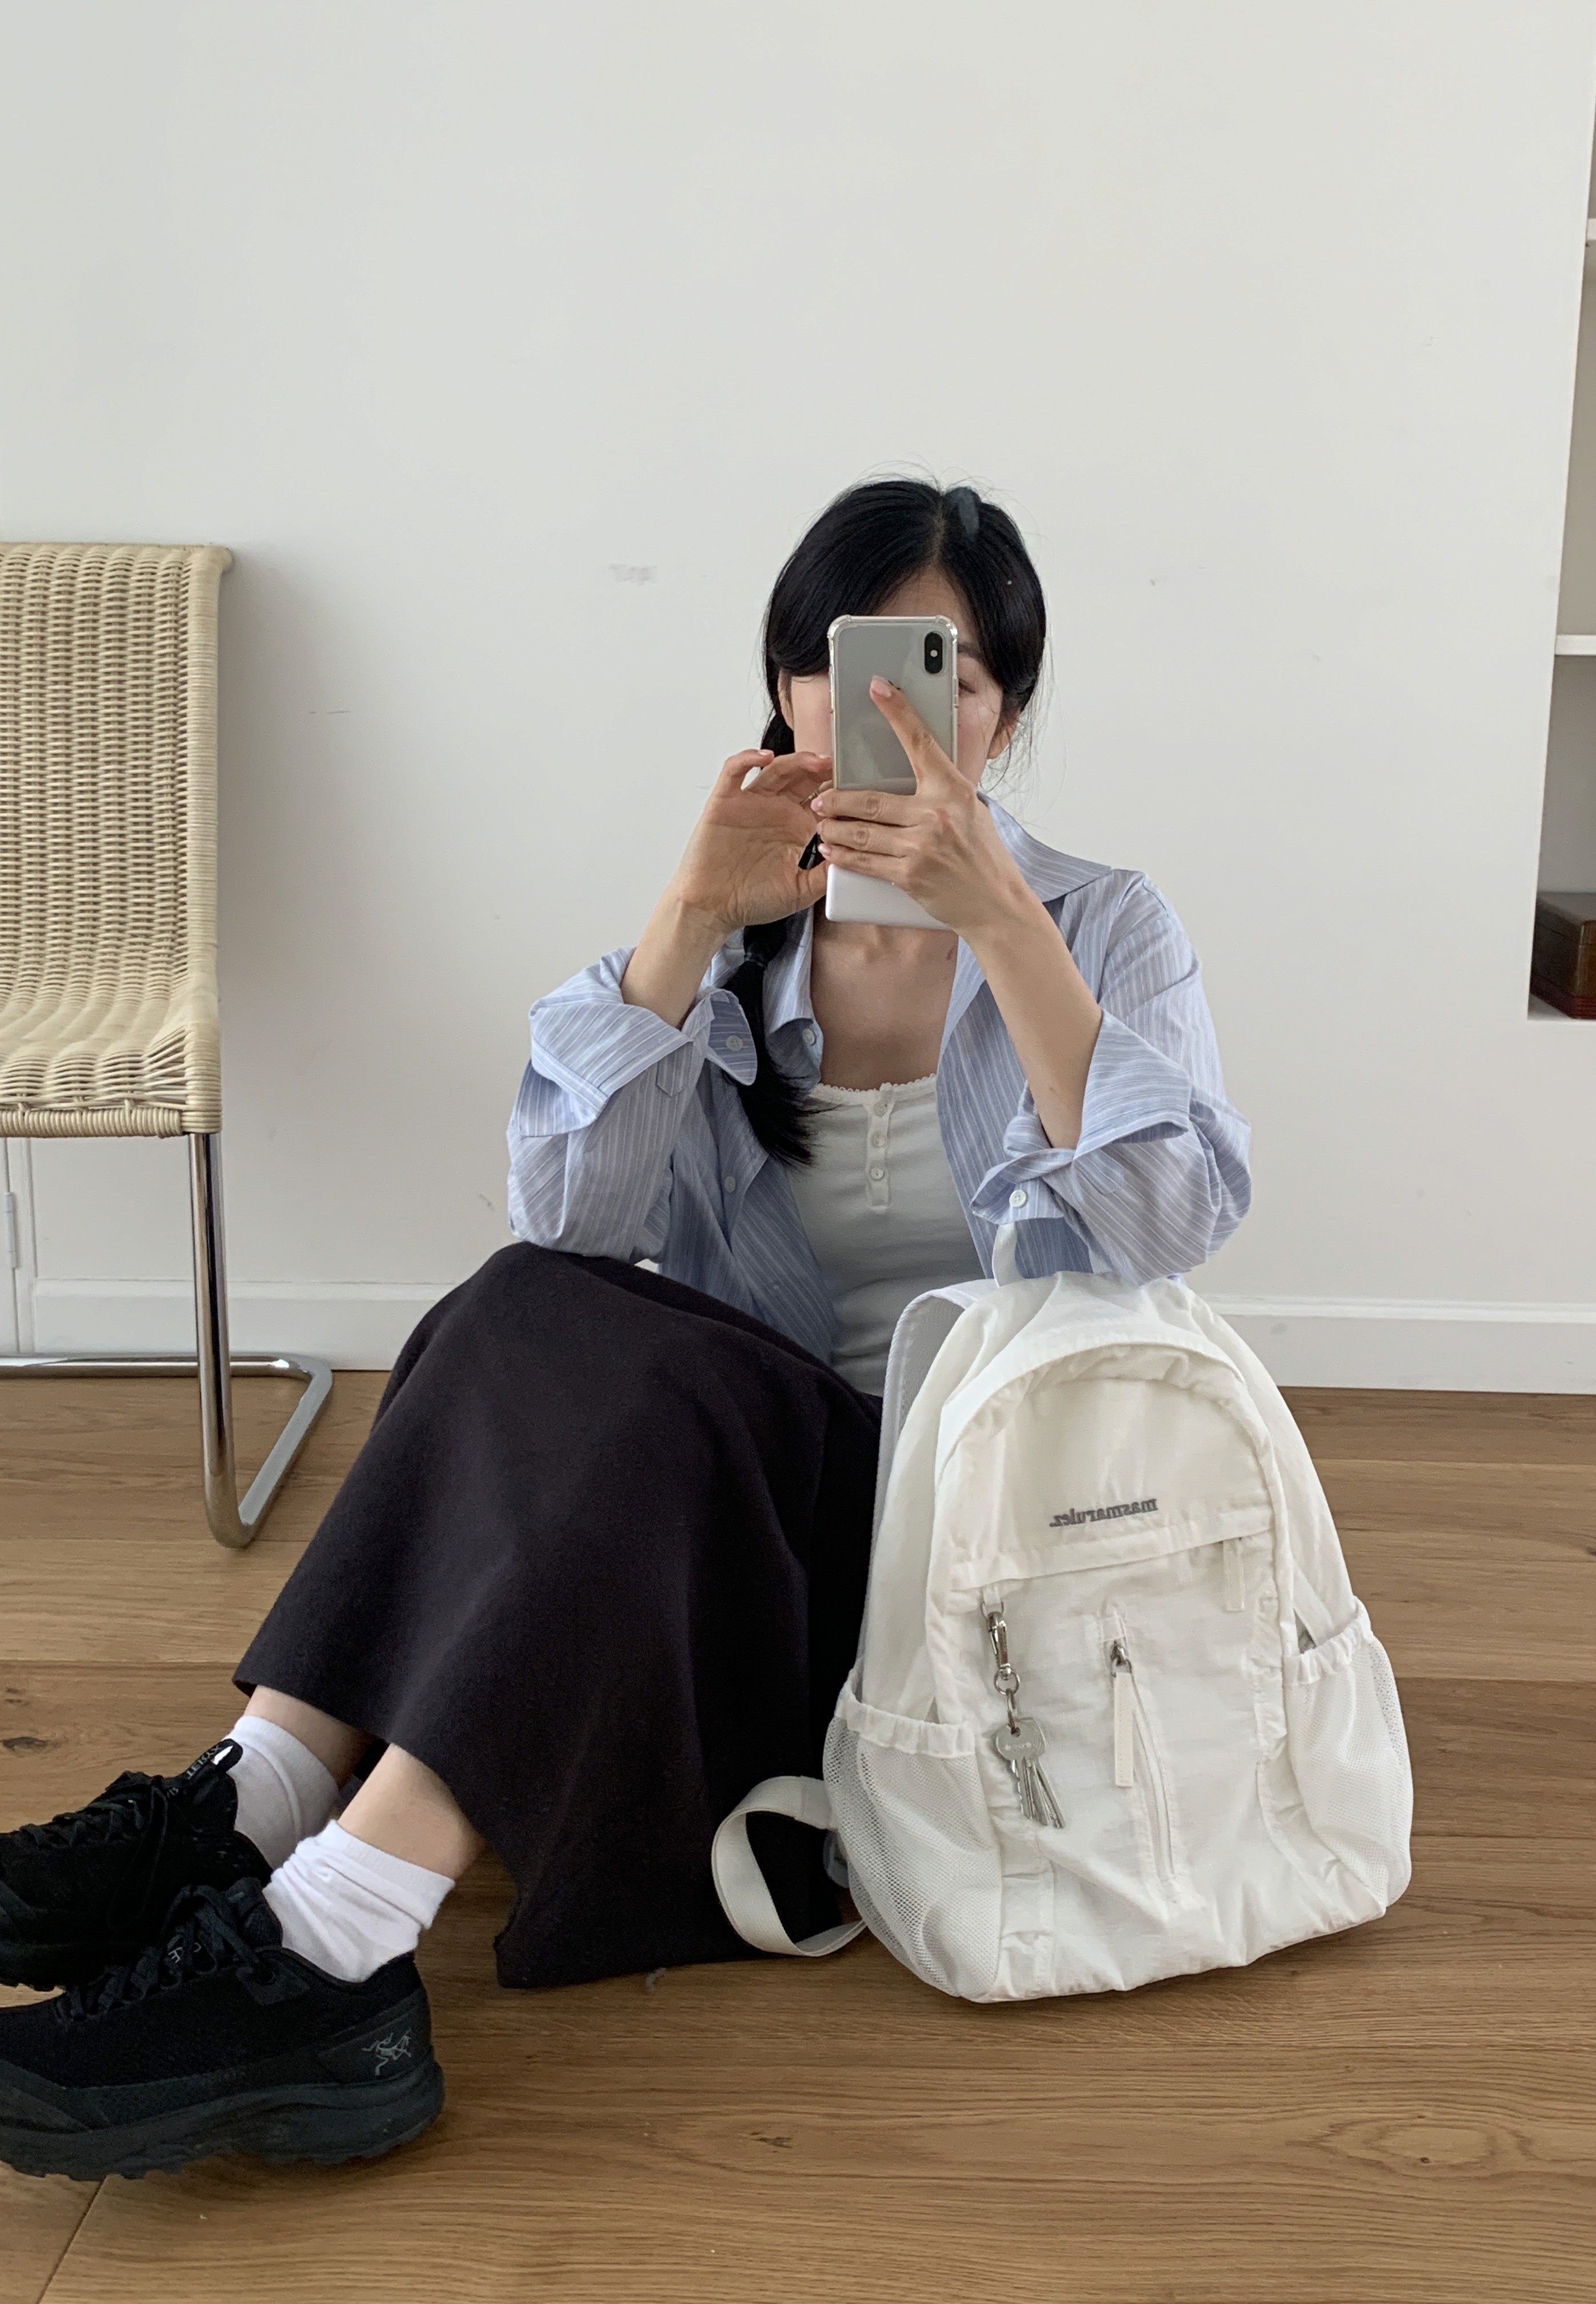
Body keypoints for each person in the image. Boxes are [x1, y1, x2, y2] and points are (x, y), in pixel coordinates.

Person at [0, 478, 1250, 2180]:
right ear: (787, 694)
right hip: (730, 1525)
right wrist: (687, 922)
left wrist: (1001, 926)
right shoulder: (734, 943)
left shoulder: (1102, 924)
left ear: (1003, 717)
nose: (889, 713)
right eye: (844, 666)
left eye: (941, 674)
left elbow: (1170, 1229)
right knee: (515, 1306)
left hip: (969, 1544)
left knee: (649, 1389)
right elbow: (570, 1230)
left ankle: (331, 1943)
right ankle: (255, 1802)